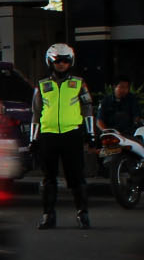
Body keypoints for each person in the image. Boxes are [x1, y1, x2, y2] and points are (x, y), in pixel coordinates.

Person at [30, 43, 96, 229]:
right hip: (48, 136)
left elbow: (88, 108)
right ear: (50, 62)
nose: (61, 64)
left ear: (71, 62)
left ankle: (83, 213)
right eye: (57, 61)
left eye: (65, 61)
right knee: (48, 178)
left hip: (71, 135)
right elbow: (36, 112)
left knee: (76, 177)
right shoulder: (42, 85)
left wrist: (90, 134)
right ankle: (48, 215)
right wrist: (33, 139)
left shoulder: (79, 83)